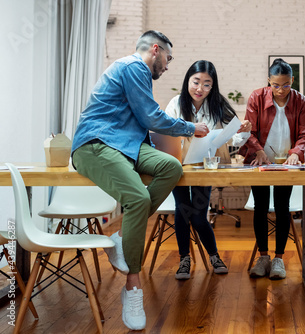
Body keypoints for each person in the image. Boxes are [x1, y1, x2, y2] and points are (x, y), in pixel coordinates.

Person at [71, 30, 209, 330]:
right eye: (168, 59)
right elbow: (150, 116)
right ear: (155, 50)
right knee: (138, 198)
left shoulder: (138, 74)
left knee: (171, 167)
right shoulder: (134, 66)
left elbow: (143, 122)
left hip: (128, 146)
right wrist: (188, 128)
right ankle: (132, 287)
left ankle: (121, 238)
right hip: (95, 144)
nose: (168, 66)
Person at [163, 60, 251, 279]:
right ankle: (184, 260)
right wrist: (190, 129)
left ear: (213, 86)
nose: (200, 89)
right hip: (178, 167)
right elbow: (164, 132)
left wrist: (245, 131)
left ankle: (214, 256)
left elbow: (236, 140)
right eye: (196, 82)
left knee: (200, 217)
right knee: (182, 213)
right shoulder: (176, 103)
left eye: (207, 84)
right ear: (187, 81)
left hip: (204, 168)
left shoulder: (217, 105)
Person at [239, 58, 305, 280]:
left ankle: (279, 258)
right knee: (260, 206)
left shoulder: (300, 100)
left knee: (283, 207)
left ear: (292, 81)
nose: (281, 90)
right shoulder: (257, 97)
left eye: (286, 85)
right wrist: (258, 150)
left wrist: (296, 153)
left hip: (285, 163)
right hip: (259, 161)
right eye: (276, 85)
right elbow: (248, 130)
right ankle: (263, 257)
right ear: (268, 82)